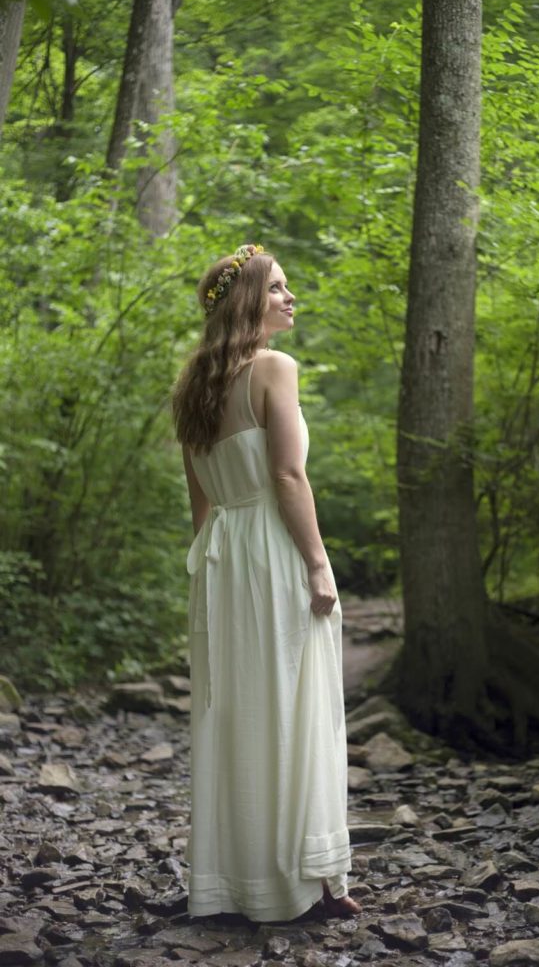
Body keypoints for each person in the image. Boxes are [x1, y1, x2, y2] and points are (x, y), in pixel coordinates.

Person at [171, 243, 362, 922]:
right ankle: (298, 880)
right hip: (273, 550)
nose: (290, 298)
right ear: (249, 300)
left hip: (221, 556)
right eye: (278, 288)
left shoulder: (192, 386)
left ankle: (240, 882)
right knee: (294, 704)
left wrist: (208, 574)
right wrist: (316, 561)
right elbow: (286, 476)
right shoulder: (275, 368)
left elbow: (200, 502)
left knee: (239, 715)